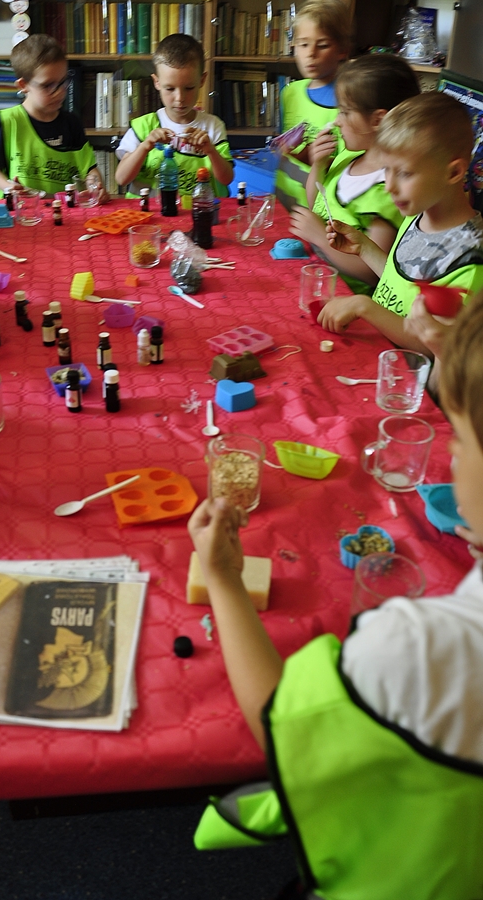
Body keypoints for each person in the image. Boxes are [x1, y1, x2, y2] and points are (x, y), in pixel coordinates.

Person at [189, 288, 483, 900]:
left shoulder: (423, 645)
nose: (451, 460)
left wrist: (223, 580)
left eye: (459, 442)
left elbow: (279, 724)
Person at [317, 92, 483, 348]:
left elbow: (433, 347)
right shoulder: (418, 214)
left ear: (453, 172)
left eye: (405, 173)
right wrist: (364, 248)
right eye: (386, 169)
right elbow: (403, 286)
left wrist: (364, 306)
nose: (389, 187)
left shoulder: (469, 260)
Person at [288, 53, 420, 291]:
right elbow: (317, 204)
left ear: (378, 120)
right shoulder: (347, 157)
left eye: (345, 112)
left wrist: (320, 238)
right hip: (313, 278)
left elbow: (372, 273)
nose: (337, 121)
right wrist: (318, 165)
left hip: (346, 299)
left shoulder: (387, 192)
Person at [0, 34, 109, 200]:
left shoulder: (72, 123)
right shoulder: (8, 121)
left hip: (65, 210)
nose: (60, 92)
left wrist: (95, 186)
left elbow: (89, 169)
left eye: (63, 82)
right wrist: (9, 187)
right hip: (23, 210)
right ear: (23, 85)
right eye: (48, 86)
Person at [115, 33, 234, 199]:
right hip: (147, 212)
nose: (180, 98)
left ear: (202, 80)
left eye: (189, 88)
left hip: (196, 210)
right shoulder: (143, 126)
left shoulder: (212, 126)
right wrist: (145, 146)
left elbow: (227, 179)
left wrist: (211, 151)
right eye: (170, 89)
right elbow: (121, 179)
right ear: (156, 82)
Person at [276, 0, 352, 211]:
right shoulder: (289, 93)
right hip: (284, 199)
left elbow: (351, 165)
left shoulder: (350, 101)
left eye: (323, 45)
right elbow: (288, 150)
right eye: (303, 44)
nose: (310, 54)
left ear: (342, 49)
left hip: (323, 209)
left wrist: (315, 157)